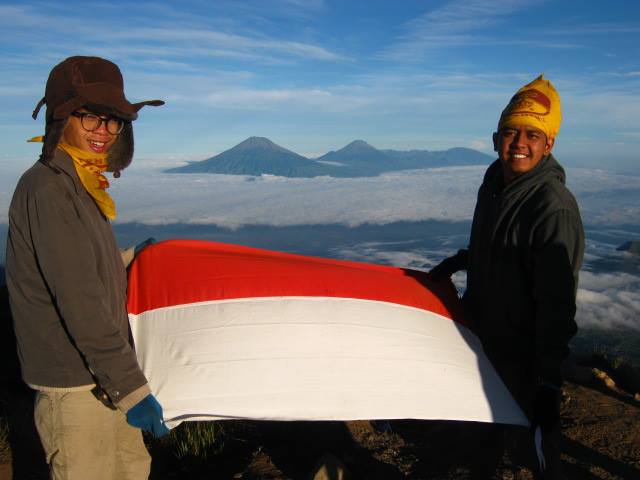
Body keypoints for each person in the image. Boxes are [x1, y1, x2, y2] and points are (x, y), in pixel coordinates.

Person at [6, 56, 167, 479]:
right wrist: (133, 390)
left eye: (113, 121)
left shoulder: (79, 183)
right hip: (75, 388)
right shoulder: (48, 188)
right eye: (91, 117)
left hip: (102, 379)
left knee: (132, 470)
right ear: (62, 117)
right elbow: (79, 300)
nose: (104, 131)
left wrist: (132, 258)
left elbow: (80, 267)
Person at [430, 75, 584, 479]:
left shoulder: (552, 208)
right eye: (510, 132)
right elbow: (502, 245)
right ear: (494, 138)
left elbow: (557, 300)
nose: (519, 142)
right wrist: (461, 260)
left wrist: (550, 381)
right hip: (485, 337)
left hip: (524, 356)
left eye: (532, 134)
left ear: (549, 143)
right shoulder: (495, 182)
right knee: (483, 436)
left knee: (535, 447)